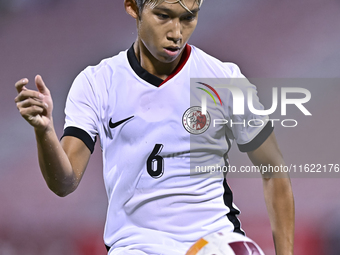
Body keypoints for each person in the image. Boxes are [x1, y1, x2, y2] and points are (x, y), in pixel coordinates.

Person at [14, 0, 295, 254]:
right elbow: (64, 182)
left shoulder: (224, 79)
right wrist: (44, 131)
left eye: (188, 18)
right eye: (163, 15)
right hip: (137, 246)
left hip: (214, 240)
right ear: (133, 7)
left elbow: (274, 171)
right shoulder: (97, 83)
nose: (176, 32)